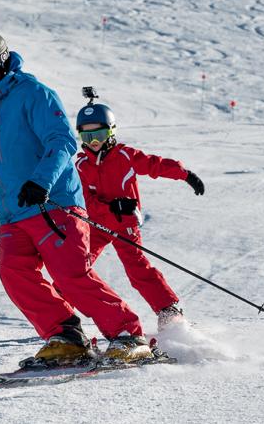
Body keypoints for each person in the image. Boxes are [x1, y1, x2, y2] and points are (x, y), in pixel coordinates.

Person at [0, 30, 151, 364]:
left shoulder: (34, 94)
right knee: (14, 274)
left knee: (71, 275)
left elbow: (62, 141)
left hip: (54, 204)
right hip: (13, 214)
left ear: (1, 61)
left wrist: (42, 182)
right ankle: (66, 336)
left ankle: (129, 335)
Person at [74, 93, 205, 332]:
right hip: (97, 226)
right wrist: (110, 207)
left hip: (124, 225)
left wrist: (185, 174)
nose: (94, 141)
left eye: (99, 134)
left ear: (111, 132)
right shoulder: (81, 165)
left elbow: (155, 165)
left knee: (137, 269)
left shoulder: (124, 156)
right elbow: (85, 200)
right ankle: (65, 316)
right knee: (75, 265)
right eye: (88, 135)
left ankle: (169, 310)